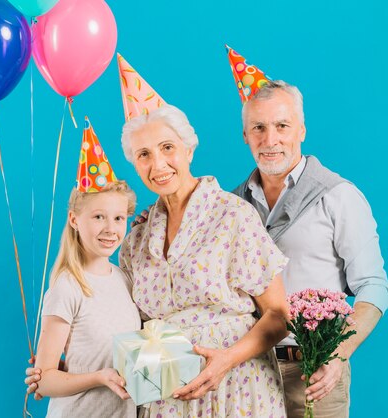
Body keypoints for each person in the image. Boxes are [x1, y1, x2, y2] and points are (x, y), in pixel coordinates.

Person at [231, 69, 388, 417]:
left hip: (315, 372)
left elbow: (375, 288)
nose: (270, 138)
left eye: (282, 126)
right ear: (245, 135)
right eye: (258, 127)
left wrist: (338, 354)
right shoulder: (230, 207)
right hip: (247, 375)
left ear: (301, 130)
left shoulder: (339, 197)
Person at [119, 103, 291, 418]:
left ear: (189, 150)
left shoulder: (233, 215)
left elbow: (278, 315)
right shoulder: (135, 242)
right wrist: (72, 361)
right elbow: (129, 326)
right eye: (143, 154)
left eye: (167, 147)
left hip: (239, 388)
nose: (158, 164)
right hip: (167, 400)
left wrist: (225, 360)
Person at [28, 119, 141, 417]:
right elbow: (45, 380)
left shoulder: (124, 279)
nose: (110, 229)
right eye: (98, 217)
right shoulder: (67, 286)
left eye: (118, 218)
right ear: (75, 220)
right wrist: (98, 377)